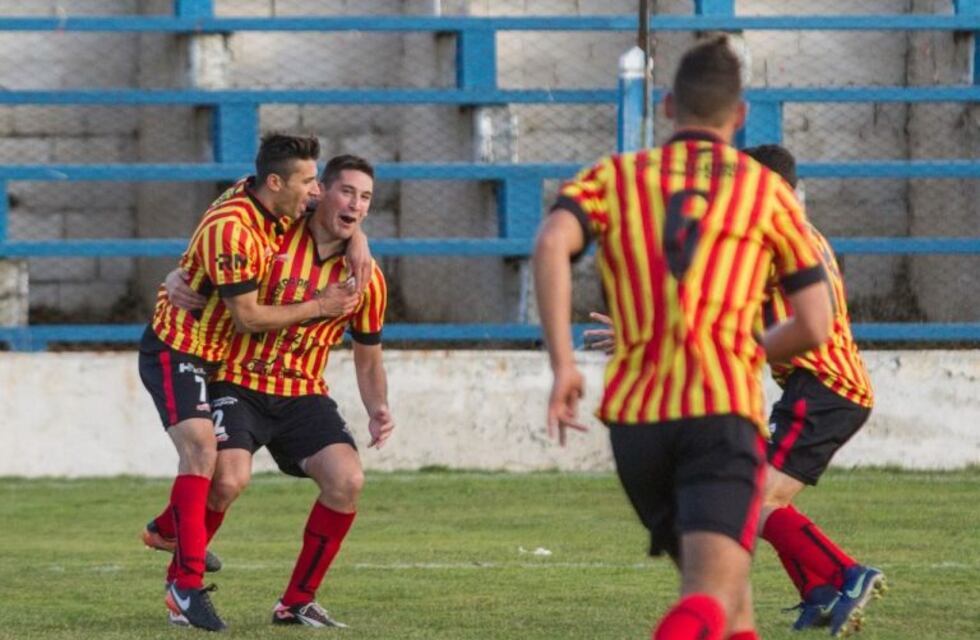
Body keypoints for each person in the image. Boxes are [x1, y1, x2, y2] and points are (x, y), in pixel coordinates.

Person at [533, 36, 833, 640]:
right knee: (709, 598)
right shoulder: (764, 192)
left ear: (668, 106)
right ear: (740, 115)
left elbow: (548, 244)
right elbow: (815, 324)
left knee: (735, 602)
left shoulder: (614, 177)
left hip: (638, 428)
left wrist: (564, 364)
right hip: (718, 417)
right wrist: (745, 348)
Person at [137, 134, 366, 631]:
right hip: (178, 348)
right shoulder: (234, 228)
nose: (315, 192)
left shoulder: (272, 203)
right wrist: (321, 307)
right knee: (203, 452)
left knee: (229, 474)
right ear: (278, 182)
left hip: (212, 357)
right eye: (310, 182)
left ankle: (172, 532)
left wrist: (360, 239)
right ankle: (186, 585)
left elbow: (334, 220)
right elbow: (247, 319)